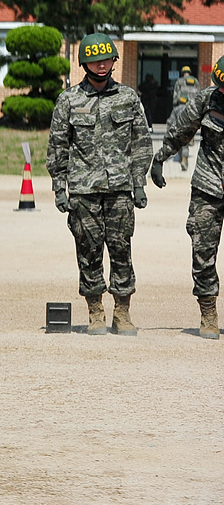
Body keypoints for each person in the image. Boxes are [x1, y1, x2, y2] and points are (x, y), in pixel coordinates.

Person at [47, 32, 152, 336]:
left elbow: (141, 142)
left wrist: (139, 183)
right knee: (89, 250)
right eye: (95, 60)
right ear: (84, 63)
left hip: (120, 188)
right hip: (83, 191)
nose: (102, 65)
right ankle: (95, 311)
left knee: (121, 249)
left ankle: (122, 311)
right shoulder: (69, 100)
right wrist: (59, 187)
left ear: (114, 61)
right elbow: (57, 147)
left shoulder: (128, 98)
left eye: (106, 59)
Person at [149, 55, 224, 340]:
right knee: (202, 251)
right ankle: (208, 314)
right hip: (208, 186)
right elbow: (182, 128)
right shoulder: (207, 99)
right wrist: (160, 157)